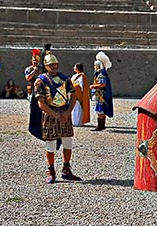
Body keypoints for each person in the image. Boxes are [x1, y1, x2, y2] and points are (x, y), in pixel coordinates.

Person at [29, 52, 80, 183]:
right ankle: (51, 171)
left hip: (65, 112)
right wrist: (56, 115)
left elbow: (73, 95)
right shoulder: (40, 81)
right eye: (51, 65)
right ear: (46, 65)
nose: (54, 67)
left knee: (68, 141)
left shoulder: (65, 79)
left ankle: (66, 169)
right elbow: (41, 102)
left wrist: (68, 112)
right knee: (50, 143)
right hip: (50, 114)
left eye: (56, 64)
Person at [89, 51, 114, 131]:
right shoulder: (99, 74)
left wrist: (93, 86)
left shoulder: (101, 74)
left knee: (101, 110)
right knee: (100, 110)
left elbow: (102, 84)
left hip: (101, 95)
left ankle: (100, 125)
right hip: (99, 95)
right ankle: (101, 125)